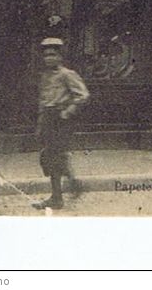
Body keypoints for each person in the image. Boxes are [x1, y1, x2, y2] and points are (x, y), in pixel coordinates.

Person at [33, 38, 90, 210]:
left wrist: (67, 112)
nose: (49, 58)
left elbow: (83, 95)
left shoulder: (67, 74)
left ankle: (58, 197)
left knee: (54, 156)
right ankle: (71, 185)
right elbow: (43, 101)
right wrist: (40, 123)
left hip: (60, 119)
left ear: (60, 57)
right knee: (51, 157)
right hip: (48, 119)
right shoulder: (45, 76)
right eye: (46, 55)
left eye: (53, 55)